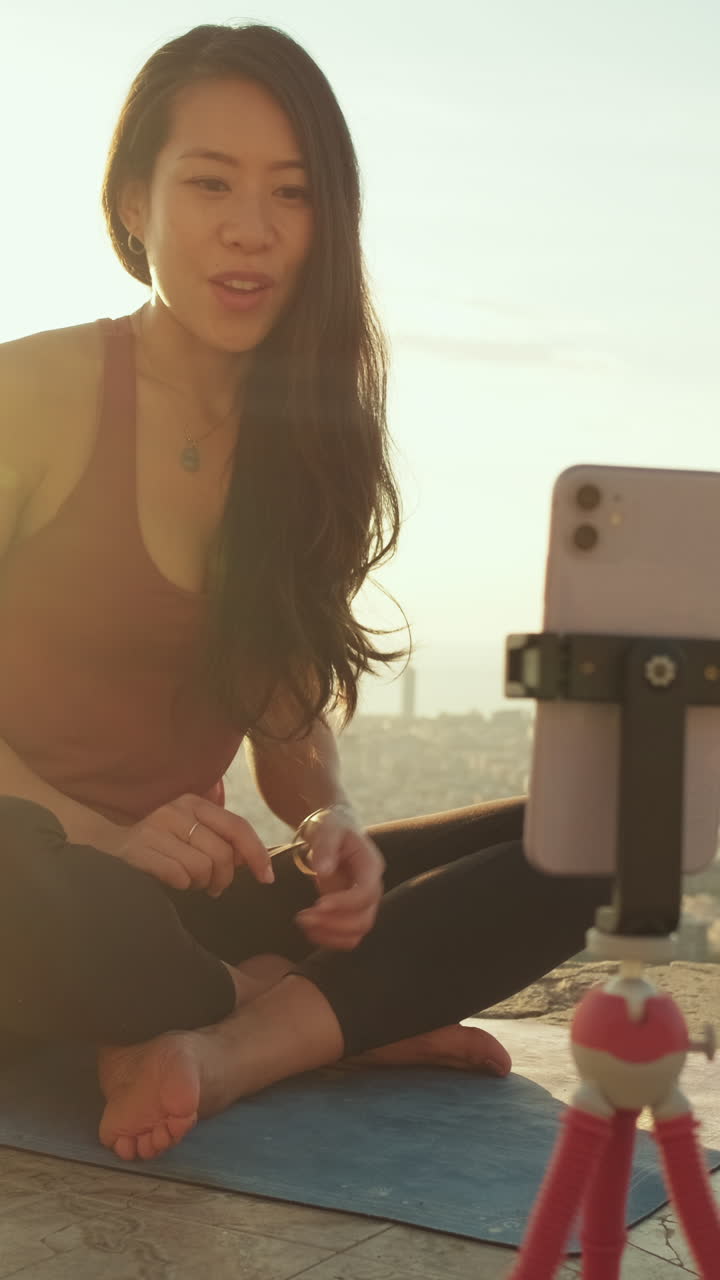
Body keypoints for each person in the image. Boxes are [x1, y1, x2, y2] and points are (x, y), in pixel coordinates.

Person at [0, 22, 611, 1162]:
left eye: (292, 192)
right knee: (69, 906)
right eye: (210, 183)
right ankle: (309, 1008)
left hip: (178, 904)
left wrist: (331, 823)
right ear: (135, 201)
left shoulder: (308, 441)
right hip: (38, 884)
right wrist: (91, 835)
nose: (251, 228)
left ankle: (220, 1038)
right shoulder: (33, 393)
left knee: (587, 830)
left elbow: (282, 715)